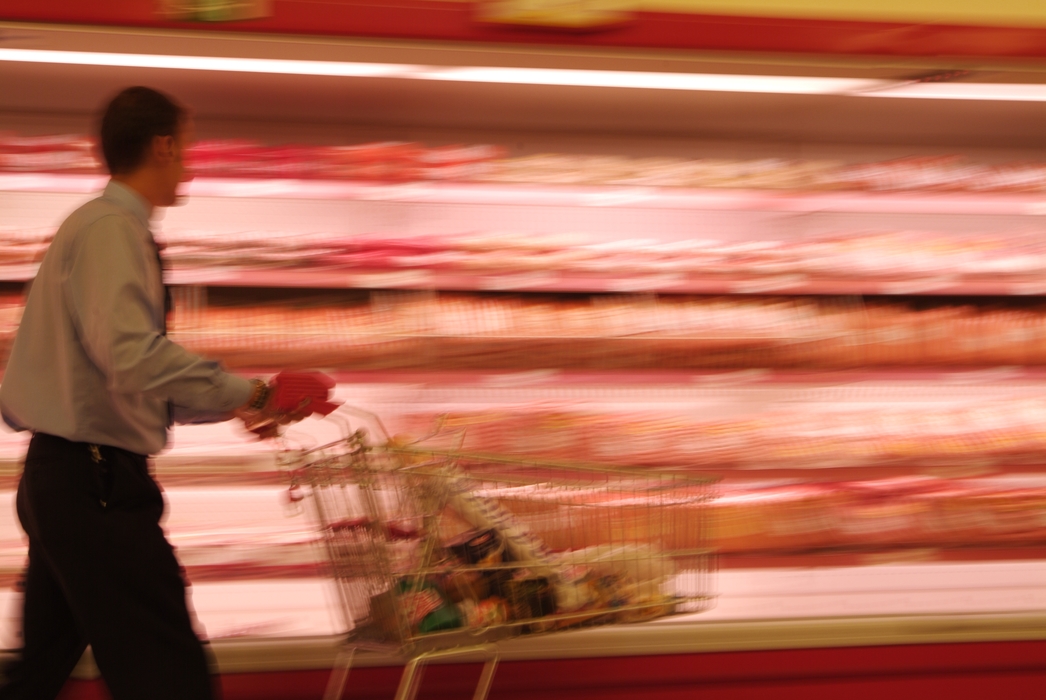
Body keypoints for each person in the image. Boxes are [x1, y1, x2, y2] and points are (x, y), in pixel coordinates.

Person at [0, 86, 297, 699]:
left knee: (34, 678)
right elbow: (132, 358)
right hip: (96, 486)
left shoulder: (94, 225)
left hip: (66, 478)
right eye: (187, 147)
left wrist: (237, 404)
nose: (190, 161)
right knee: (170, 676)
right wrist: (253, 391)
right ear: (162, 146)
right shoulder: (114, 230)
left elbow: (120, 378)